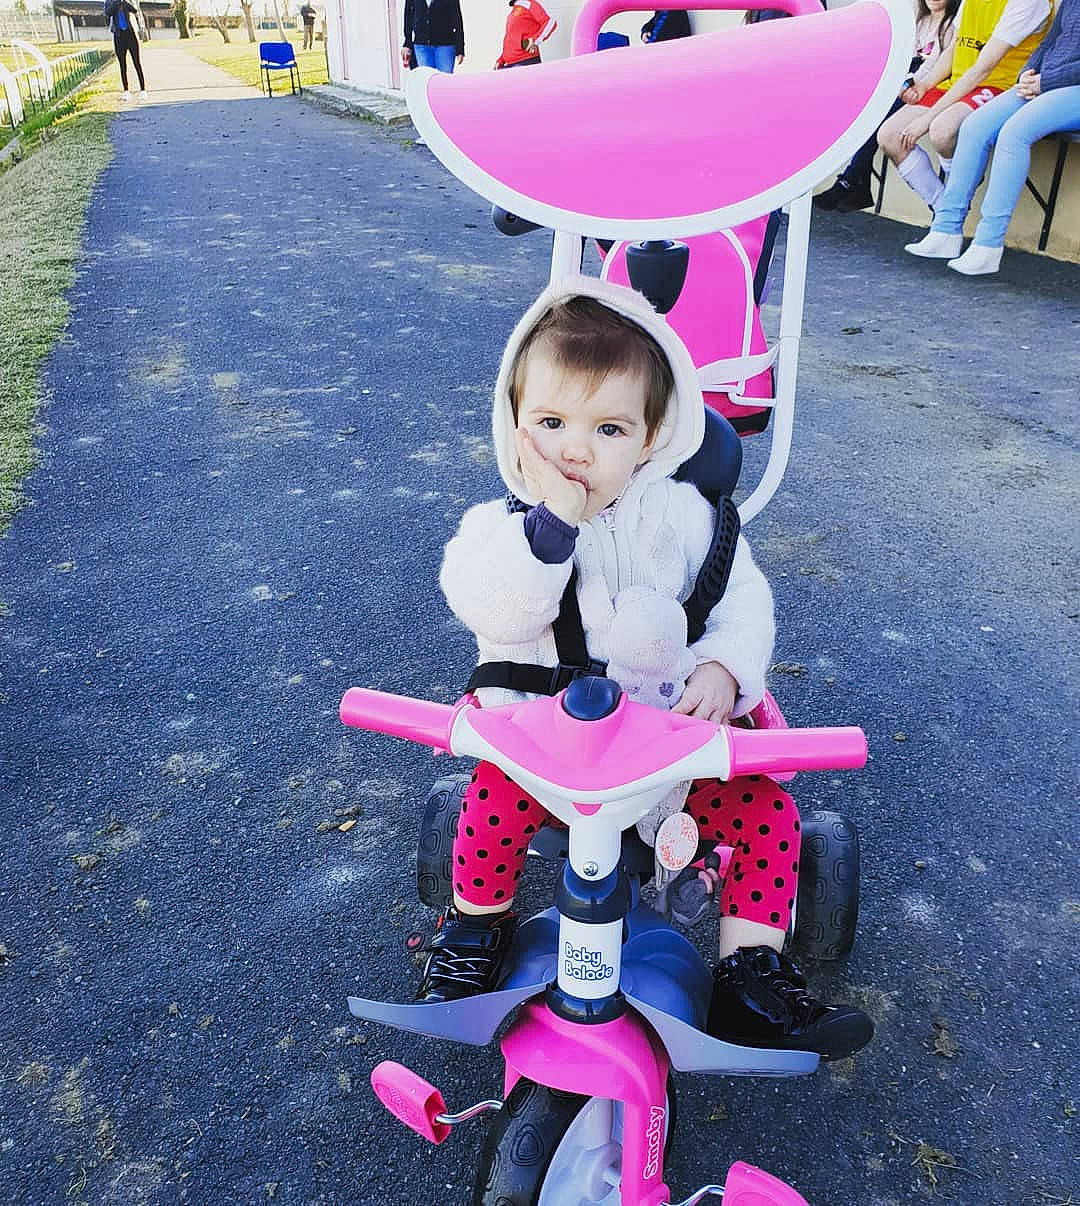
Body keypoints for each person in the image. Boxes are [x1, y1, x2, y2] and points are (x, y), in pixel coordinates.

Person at [417, 275, 875, 1061]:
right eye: (552, 422)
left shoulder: (689, 520)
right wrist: (552, 529)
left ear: (652, 434)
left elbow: (740, 600)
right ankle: (473, 931)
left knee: (766, 817)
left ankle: (748, 973)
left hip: (674, 758)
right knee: (488, 802)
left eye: (609, 429)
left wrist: (727, 670)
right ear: (515, 423)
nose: (576, 451)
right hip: (546, 756)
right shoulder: (496, 530)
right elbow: (497, 612)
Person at [906, 0, 1080, 272]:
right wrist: (1028, 74)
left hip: (1071, 88)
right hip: (1044, 82)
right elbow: (1050, 40)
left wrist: (1047, 81)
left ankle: (988, 244)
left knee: (1015, 132)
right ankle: (946, 231)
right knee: (975, 126)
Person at [877, 0, 1051, 212]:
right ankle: (942, 208)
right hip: (960, 82)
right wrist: (925, 84)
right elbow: (955, 47)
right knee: (889, 136)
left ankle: (958, 197)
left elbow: (983, 68)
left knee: (942, 131)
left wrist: (927, 118)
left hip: (1000, 86)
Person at [816, 0, 960, 213]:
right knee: (870, 112)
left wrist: (909, 83)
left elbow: (934, 65)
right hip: (907, 84)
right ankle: (855, 181)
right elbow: (903, 58)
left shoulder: (951, 25)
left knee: (878, 119)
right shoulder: (920, 21)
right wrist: (900, 82)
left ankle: (852, 181)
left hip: (931, 86)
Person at [401, 0, 465, 74]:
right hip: (421, 46)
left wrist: (460, 48)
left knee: (444, 81)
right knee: (426, 80)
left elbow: (457, 20)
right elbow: (408, 17)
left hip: (445, 46)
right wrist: (407, 43)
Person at [103, 0, 146, 100]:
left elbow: (135, 10)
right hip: (118, 36)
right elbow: (107, 14)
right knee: (122, 65)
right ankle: (126, 91)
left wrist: (125, 2)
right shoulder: (108, 2)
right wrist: (117, 3)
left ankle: (143, 90)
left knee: (137, 63)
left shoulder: (127, 1)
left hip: (130, 34)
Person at [495, 0, 557, 69]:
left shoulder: (529, 4)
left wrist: (535, 40)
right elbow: (511, 40)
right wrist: (501, 60)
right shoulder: (514, 11)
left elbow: (550, 22)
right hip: (509, 64)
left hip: (525, 61)